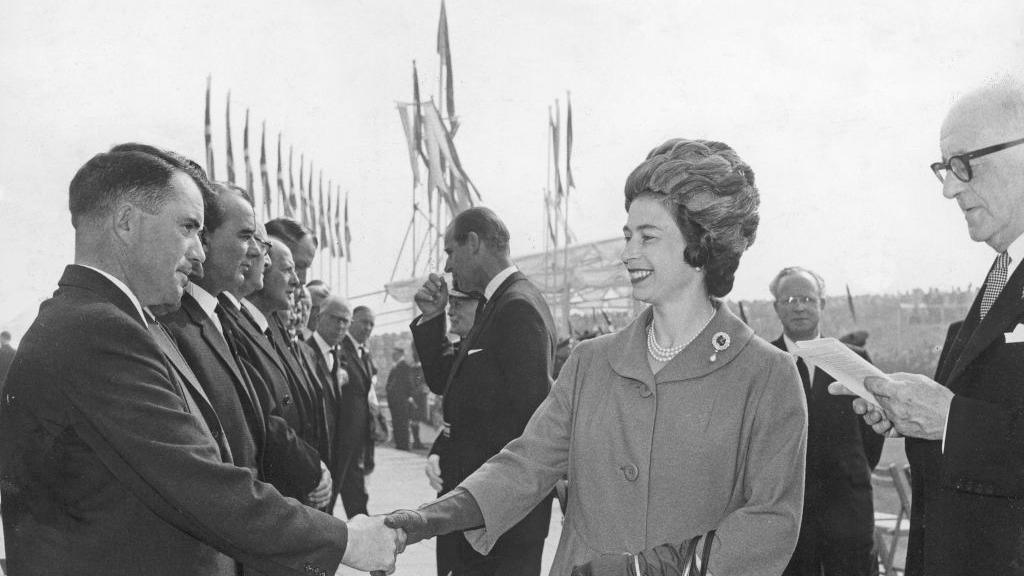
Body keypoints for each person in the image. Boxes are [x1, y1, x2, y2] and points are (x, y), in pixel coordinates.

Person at [390, 139, 807, 576]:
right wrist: (428, 519)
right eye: (628, 236)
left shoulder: (768, 376)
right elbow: (525, 464)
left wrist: (642, 570)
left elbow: (771, 520)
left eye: (647, 237)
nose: (628, 253)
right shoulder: (591, 362)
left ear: (701, 246)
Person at [0, 144, 401, 575]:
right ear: (126, 222)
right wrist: (345, 541)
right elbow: (198, 481)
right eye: (189, 227)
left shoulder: (131, 322)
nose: (200, 252)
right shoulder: (96, 331)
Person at [835, 77, 1024, 576]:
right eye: (944, 168)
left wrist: (950, 421)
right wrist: (915, 420)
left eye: (964, 164)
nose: (948, 188)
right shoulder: (1004, 274)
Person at [159, 182, 328, 508]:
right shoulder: (176, 326)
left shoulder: (213, 319)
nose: (255, 252)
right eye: (245, 236)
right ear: (204, 239)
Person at [410, 206, 558, 576]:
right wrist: (432, 319)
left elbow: (531, 425)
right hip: (479, 513)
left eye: (449, 251)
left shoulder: (517, 307)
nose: (446, 267)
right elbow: (449, 381)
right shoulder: (499, 304)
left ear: (473, 243)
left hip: (498, 523)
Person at [769, 267, 883, 576]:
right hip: (787, 514)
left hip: (848, 509)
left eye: (807, 298)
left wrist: (849, 472)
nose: (799, 306)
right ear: (776, 306)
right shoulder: (765, 362)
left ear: (822, 303)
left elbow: (873, 435)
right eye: (789, 299)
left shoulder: (852, 359)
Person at [306, 294, 353, 512]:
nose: (341, 326)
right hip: (314, 454)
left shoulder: (337, 354)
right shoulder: (303, 352)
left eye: (346, 321)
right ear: (319, 317)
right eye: (336, 318)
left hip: (336, 452)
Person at [386, 347, 417, 451]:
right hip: (396, 401)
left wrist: (408, 396)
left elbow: (409, 383)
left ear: (400, 354)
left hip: (401, 400)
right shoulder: (397, 367)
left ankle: (403, 445)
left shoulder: (404, 367)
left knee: (402, 423)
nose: (393, 356)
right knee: (397, 423)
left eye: (394, 354)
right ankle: (400, 444)